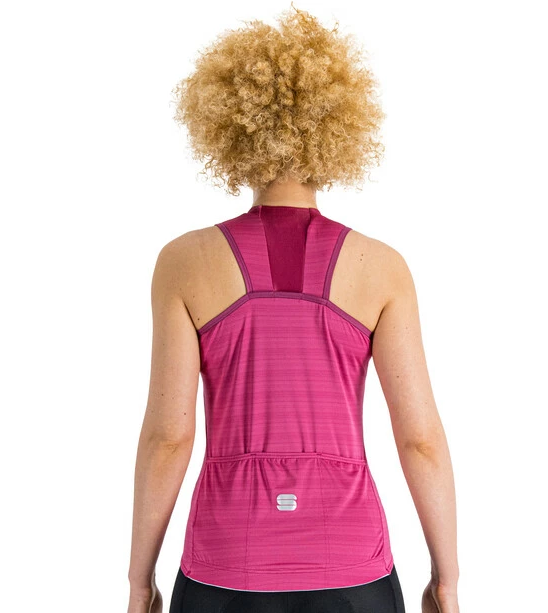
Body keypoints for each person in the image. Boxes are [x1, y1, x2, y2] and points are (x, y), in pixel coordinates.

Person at [127, 5, 460, 613]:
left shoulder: (184, 262)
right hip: (353, 565)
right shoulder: (382, 268)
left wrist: (138, 580)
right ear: (337, 124)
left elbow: (168, 439)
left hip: (225, 564)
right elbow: (420, 440)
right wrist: (447, 578)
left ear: (229, 123)